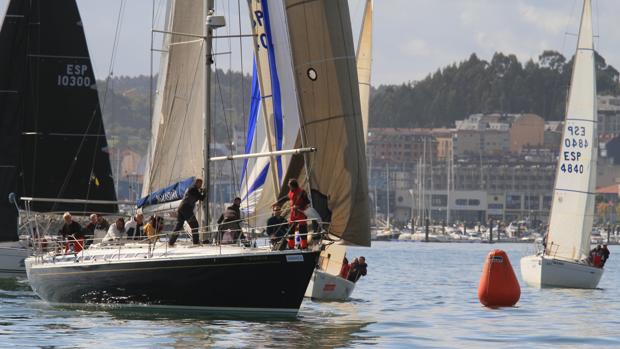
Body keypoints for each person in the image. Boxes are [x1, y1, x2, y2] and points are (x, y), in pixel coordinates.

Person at [170, 178, 206, 246]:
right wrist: (205, 191)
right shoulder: (194, 189)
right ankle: (196, 243)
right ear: (197, 183)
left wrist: (201, 191)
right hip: (187, 208)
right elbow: (201, 197)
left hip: (181, 208)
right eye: (200, 183)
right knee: (195, 225)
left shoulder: (191, 188)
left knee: (179, 226)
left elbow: (197, 195)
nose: (201, 185)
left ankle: (171, 242)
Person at [287, 179, 309, 249]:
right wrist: (277, 202)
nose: (289, 187)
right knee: (291, 229)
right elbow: (286, 197)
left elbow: (307, 202)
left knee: (302, 229)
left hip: (301, 213)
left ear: (293, 186)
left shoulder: (302, 192)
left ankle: (304, 246)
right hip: (293, 213)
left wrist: (299, 206)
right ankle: (291, 246)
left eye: (289, 186)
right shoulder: (291, 192)